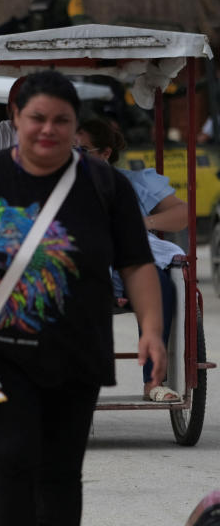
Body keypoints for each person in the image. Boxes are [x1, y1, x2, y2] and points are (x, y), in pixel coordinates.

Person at [0, 71, 167, 525]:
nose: (49, 129)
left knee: (62, 470)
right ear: (16, 119)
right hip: (2, 355)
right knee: (13, 455)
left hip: (79, 354)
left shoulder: (106, 185)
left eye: (61, 120)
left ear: (74, 124)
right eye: (37, 118)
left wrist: (153, 331)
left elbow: (136, 263)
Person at [77, 117, 186, 402]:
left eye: (82, 150)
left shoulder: (132, 182)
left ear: (105, 153)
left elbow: (181, 214)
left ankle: (154, 381)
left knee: (162, 284)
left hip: (127, 261)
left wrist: (142, 222)